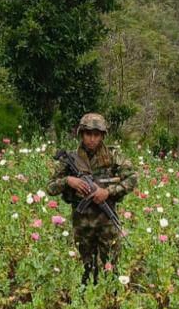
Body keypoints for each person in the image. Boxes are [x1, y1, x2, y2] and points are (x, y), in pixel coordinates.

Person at [45, 113, 137, 285]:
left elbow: (132, 179)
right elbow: (50, 187)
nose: (92, 139)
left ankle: (109, 301)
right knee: (86, 267)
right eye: (88, 134)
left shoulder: (113, 156)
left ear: (102, 136)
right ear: (81, 134)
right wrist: (68, 181)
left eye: (96, 135)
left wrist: (108, 192)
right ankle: (87, 299)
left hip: (107, 223)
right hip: (82, 224)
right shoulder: (71, 159)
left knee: (111, 266)